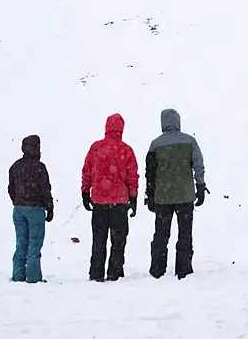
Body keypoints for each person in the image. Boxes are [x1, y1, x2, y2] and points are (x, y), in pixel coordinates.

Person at [145, 108, 208, 280]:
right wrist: (200, 186)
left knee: (161, 235)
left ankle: (157, 270)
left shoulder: (155, 144)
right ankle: (184, 269)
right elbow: (198, 165)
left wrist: (149, 195)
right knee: (185, 234)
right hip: (185, 196)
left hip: (162, 197)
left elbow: (150, 172)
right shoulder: (190, 141)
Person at [81, 113, 139, 282]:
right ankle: (115, 272)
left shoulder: (96, 148)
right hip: (119, 203)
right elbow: (132, 176)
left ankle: (96, 273)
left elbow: (87, 171)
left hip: (99, 201)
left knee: (99, 240)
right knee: (118, 240)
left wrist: (85, 192)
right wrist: (133, 197)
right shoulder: (126, 150)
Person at [8, 135, 54, 284]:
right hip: (35, 209)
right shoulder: (39, 167)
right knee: (34, 243)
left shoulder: (15, 166)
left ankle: (18, 273)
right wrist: (49, 207)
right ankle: (33, 276)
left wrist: (17, 201)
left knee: (21, 242)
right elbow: (45, 189)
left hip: (19, 208)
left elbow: (11, 188)